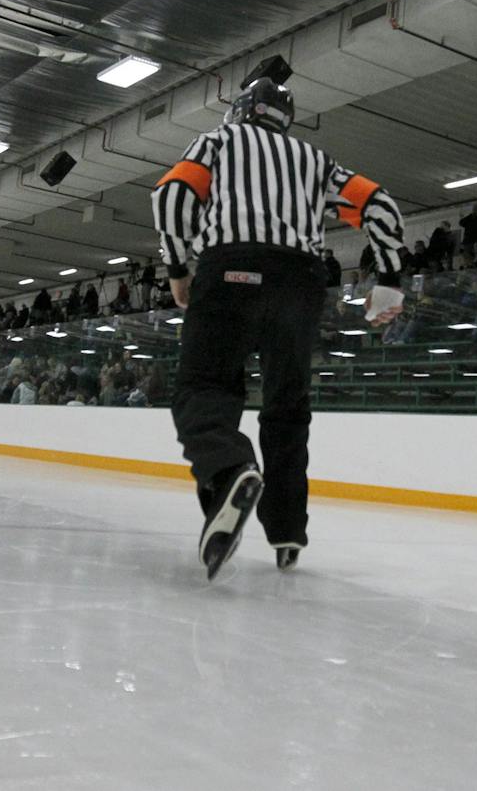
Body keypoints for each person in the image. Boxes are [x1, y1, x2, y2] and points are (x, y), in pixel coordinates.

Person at [153, 74, 405, 579]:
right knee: (287, 408)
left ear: (241, 109)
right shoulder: (315, 161)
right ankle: (287, 532)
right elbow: (379, 204)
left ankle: (231, 472)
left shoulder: (220, 141)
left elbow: (173, 193)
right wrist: (390, 281)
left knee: (205, 387)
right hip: (300, 283)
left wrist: (179, 270)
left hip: (230, 269)